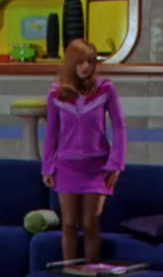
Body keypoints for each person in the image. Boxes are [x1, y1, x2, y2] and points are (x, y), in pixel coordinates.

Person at [41, 39, 127, 262]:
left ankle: (91, 274)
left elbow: (119, 128)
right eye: (80, 62)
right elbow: (51, 132)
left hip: (97, 166)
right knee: (69, 225)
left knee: (90, 224)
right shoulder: (56, 93)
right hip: (66, 166)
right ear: (71, 63)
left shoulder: (105, 89)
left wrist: (116, 164)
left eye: (90, 61)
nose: (86, 66)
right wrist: (48, 167)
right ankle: (69, 272)